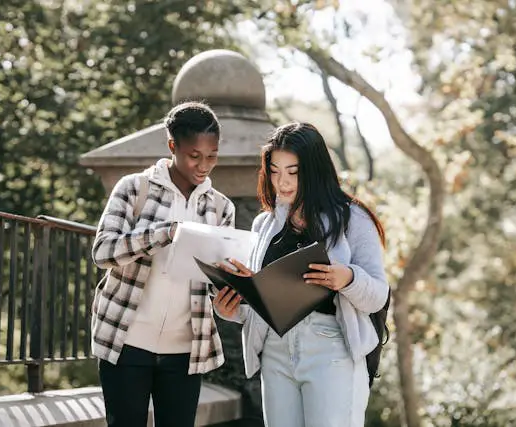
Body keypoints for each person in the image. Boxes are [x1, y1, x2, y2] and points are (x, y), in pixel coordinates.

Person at [213, 122, 389, 427]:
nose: (282, 182)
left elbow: (377, 295)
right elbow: (267, 303)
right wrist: (233, 308)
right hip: (276, 353)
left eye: (293, 172)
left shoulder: (353, 219)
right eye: (274, 170)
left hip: (331, 349)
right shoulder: (263, 226)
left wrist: (347, 278)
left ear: (314, 169)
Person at [90, 101, 236, 427]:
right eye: (194, 156)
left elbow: (213, 280)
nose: (204, 165)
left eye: (212, 156)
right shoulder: (133, 188)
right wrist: (163, 234)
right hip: (126, 343)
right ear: (173, 146)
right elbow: (103, 252)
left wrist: (232, 283)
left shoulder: (221, 208)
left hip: (185, 351)